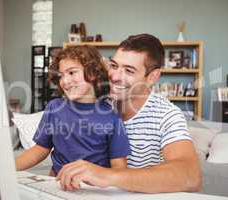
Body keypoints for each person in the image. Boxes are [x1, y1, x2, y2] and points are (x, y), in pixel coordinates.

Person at [56, 34, 202, 193]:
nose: (115, 77)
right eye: (113, 66)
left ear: (152, 77)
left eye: (129, 70)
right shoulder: (96, 100)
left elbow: (190, 177)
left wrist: (108, 176)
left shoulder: (166, 115)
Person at [15, 45, 130, 176]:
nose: (65, 81)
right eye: (60, 76)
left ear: (92, 73)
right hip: (58, 185)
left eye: (71, 72)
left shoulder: (112, 117)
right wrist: (6, 168)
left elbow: (120, 169)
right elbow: (40, 149)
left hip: (94, 189)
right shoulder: (55, 108)